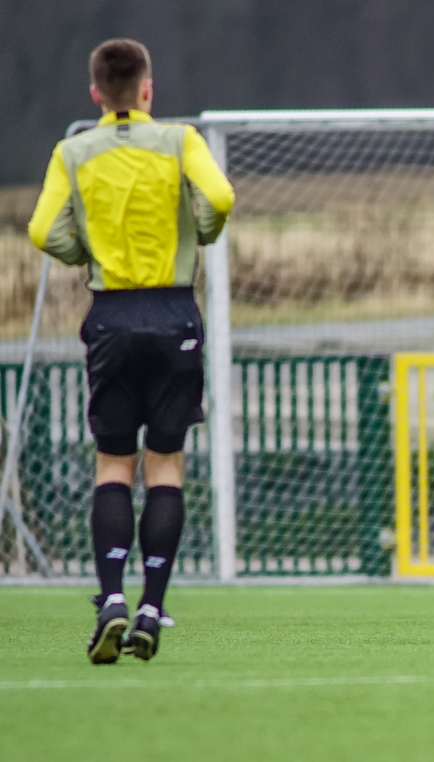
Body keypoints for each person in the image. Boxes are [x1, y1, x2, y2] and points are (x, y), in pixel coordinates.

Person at [28, 39, 235, 663]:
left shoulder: (72, 151)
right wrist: (201, 233)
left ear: (96, 94)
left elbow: (42, 230)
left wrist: (81, 253)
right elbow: (220, 199)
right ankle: (152, 607)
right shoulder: (179, 140)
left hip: (111, 315)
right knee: (164, 464)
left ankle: (112, 598)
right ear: (148, 89)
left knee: (113, 465)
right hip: (173, 312)